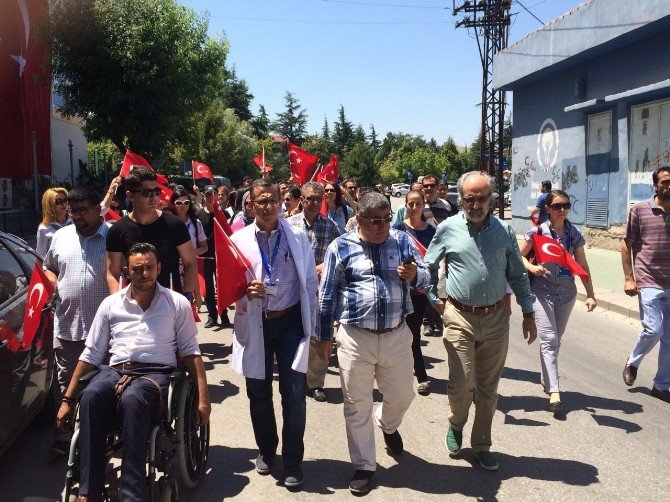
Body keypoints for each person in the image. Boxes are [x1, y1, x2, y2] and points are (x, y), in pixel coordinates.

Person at [55, 243, 210, 502]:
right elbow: (91, 354)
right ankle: (89, 491)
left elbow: (192, 352)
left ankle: (131, 495)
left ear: (159, 267)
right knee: (91, 395)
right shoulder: (111, 304)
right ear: (126, 270)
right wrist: (68, 400)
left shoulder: (177, 303)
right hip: (115, 370)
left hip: (156, 375)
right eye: (137, 269)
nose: (145, 274)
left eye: (150, 267)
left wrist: (203, 399)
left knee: (133, 399)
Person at [424, 171, 537, 471]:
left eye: (481, 198)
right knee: (462, 383)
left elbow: (517, 274)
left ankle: (482, 443)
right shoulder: (447, 228)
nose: (475, 204)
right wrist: (433, 298)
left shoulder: (504, 231)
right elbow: (428, 265)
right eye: (469, 198)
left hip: (496, 318)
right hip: (459, 315)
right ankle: (456, 423)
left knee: (488, 387)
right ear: (460, 199)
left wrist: (528, 312)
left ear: (491, 199)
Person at [317, 191, 427, 494]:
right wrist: (323, 337)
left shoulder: (402, 241)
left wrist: (415, 275)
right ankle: (365, 465)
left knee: (404, 394)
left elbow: (428, 278)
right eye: (374, 220)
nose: (381, 226)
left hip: (396, 335)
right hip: (355, 338)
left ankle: (387, 423)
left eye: (386, 219)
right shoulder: (341, 247)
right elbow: (327, 295)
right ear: (360, 219)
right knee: (356, 404)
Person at [230, 179, 318, 489]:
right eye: (261, 201)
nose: (267, 206)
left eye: (272, 201)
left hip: (291, 320)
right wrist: (244, 292)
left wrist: (316, 330)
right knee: (258, 390)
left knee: (294, 393)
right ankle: (267, 450)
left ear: (281, 202)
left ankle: (293, 459)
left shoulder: (297, 236)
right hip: (256, 321)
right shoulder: (237, 240)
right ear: (250, 205)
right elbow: (227, 288)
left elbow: (309, 283)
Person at [42, 187, 111, 456]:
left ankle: (103, 436)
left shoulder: (112, 237)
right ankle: (64, 435)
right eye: (73, 211)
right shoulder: (60, 237)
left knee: (101, 386)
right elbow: (49, 266)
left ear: (97, 208)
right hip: (68, 325)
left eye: (83, 210)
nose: (77, 216)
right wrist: (52, 281)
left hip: (104, 330)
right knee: (65, 382)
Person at [519, 189, 596, 411]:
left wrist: (590, 294)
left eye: (565, 206)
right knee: (550, 338)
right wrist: (532, 267)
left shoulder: (574, 234)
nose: (561, 210)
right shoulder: (537, 231)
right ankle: (554, 390)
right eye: (556, 206)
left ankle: (546, 376)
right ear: (548, 209)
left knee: (556, 339)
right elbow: (518, 256)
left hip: (567, 293)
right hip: (542, 292)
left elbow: (582, 264)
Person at [105, 167, 197, 298]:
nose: (154, 197)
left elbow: (190, 263)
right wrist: (118, 302)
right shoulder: (117, 230)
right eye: (147, 192)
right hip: (134, 307)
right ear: (130, 195)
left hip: (171, 304)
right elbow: (112, 272)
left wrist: (187, 295)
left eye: (156, 191)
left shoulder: (175, 224)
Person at [287, 182, 340, 402]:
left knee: (321, 335)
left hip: (321, 291)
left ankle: (316, 382)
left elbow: (340, 257)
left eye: (319, 198)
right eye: (310, 198)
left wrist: (324, 266)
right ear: (302, 200)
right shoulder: (288, 225)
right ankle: (296, 379)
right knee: (295, 335)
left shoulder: (331, 227)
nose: (314, 202)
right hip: (293, 289)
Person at [621, 165, 670, 403]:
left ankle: (661, 386)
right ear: (656, 185)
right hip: (648, 279)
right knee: (654, 329)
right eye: (665, 182)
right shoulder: (640, 209)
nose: (669, 186)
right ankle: (633, 362)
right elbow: (626, 244)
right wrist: (629, 278)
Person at [392, 189, 436, 396]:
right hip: (402, 288)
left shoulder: (431, 231)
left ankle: (416, 373)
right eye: (411, 204)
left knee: (413, 331)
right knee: (407, 332)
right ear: (406, 205)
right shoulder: (398, 229)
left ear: (423, 205)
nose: (414, 207)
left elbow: (435, 260)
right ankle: (418, 375)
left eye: (418, 204)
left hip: (422, 289)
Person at [197, 185, 229, 327]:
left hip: (220, 256)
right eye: (208, 195)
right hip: (205, 257)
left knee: (222, 287)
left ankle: (224, 314)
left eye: (213, 194)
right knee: (208, 288)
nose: (211, 197)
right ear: (204, 196)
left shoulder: (222, 214)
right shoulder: (198, 215)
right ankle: (212, 316)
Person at [36, 187, 69, 258]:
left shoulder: (74, 222)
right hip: (55, 267)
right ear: (50, 205)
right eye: (59, 202)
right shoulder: (44, 228)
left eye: (65, 200)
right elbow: (41, 256)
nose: (64, 204)